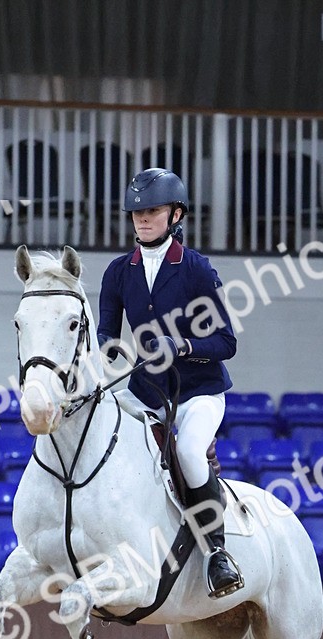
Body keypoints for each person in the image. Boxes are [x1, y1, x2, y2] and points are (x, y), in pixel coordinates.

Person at [96, 167, 243, 599]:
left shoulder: (196, 269)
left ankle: (217, 554)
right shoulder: (118, 271)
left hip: (197, 390)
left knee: (189, 452)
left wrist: (179, 345)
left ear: (175, 214)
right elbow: (107, 332)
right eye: (136, 212)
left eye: (153, 210)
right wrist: (111, 351)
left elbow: (226, 342)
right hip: (145, 390)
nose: (142, 218)